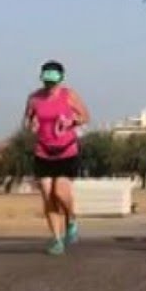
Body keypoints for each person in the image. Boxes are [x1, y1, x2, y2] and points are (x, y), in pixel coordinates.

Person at [24, 60, 90, 255]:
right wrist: (31, 125)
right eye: (46, 81)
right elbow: (27, 121)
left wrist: (71, 121)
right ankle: (56, 239)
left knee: (60, 192)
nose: (49, 86)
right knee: (47, 194)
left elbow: (85, 116)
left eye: (53, 82)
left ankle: (71, 219)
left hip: (66, 150)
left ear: (60, 79)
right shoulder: (34, 98)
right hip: (43, 151)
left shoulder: (69, 95)